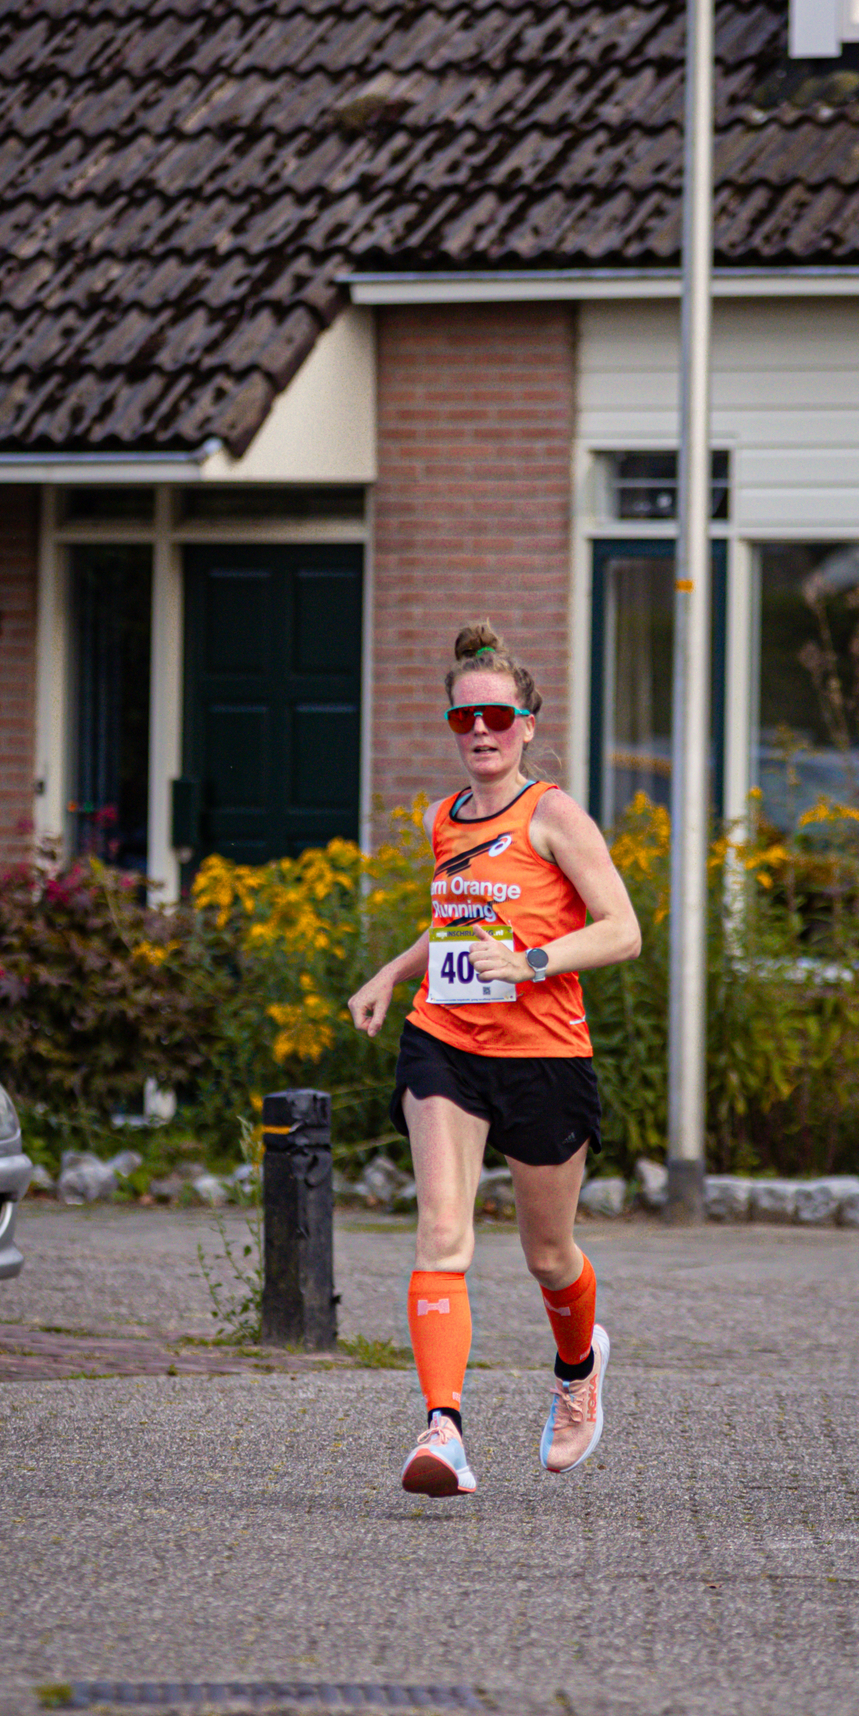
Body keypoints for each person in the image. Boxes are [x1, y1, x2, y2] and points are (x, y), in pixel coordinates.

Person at [347, 619, 642, 1498]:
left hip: (545, 1054)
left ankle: (579, 1366)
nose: (480, 733)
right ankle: (444, 1429)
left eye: (497, 719)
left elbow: (623, 932)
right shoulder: (444, 819)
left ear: (527, 725)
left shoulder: (554, 815)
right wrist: (391, 975)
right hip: (447, 1040)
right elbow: (451, 927)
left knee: (548, 1256)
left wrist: (536, 961)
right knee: (443, 1229)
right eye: (463, 720)